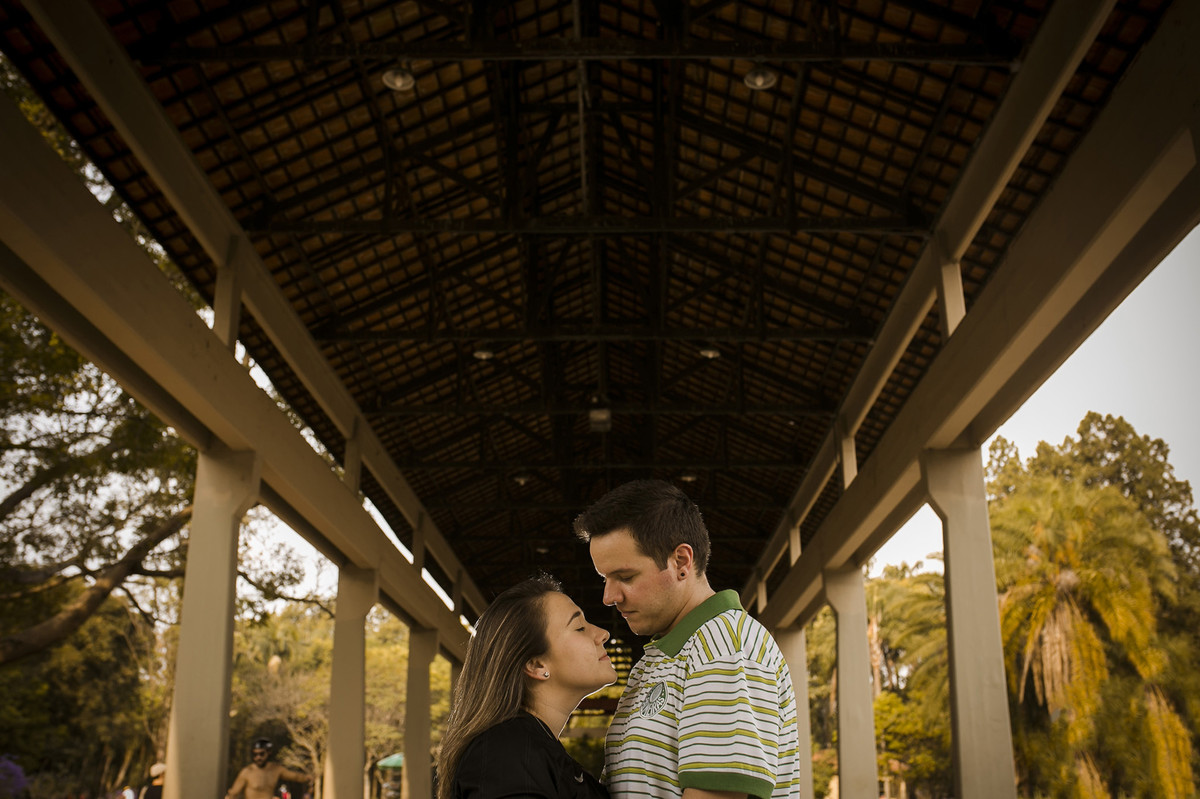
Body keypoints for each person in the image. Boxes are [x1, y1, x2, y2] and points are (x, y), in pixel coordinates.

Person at [574, 479, 803, 799]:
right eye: (605, 578)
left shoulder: (724, 649)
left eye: (625, 577)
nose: (609, 597)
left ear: (681, 562)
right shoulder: (666, 655)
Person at [436, 574, 617, 799]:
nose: (602, 634)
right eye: (579, 627)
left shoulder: (529, 750)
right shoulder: (506, 753)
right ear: (537, 665)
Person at [225, 739, 307, 799]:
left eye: (261, 754)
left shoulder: (276, 769)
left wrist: (309, 777)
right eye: (255, 754)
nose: (258, 757)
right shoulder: (247, 772)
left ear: (269, 753)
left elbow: (295, 776)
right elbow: (234, 793)